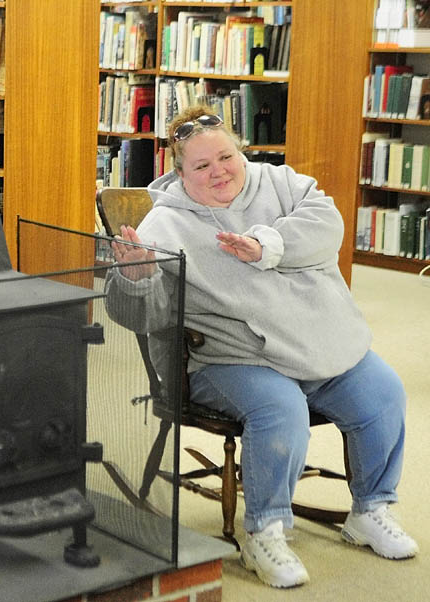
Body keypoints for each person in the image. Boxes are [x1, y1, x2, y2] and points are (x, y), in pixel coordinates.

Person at [104, 105, 418, 589]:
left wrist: (271, 244)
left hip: (317, 339)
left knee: (384, 391)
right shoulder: (162, 228)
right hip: (230, 356)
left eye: (226, 157)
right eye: (202, 166)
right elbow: (142, 318)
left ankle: (371, 510)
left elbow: (327, 224)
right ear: (178, 171)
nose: (219, 172)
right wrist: (138, 280)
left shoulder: (282, 183)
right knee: (281, 410)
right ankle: (265, 532)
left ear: (240, 150)